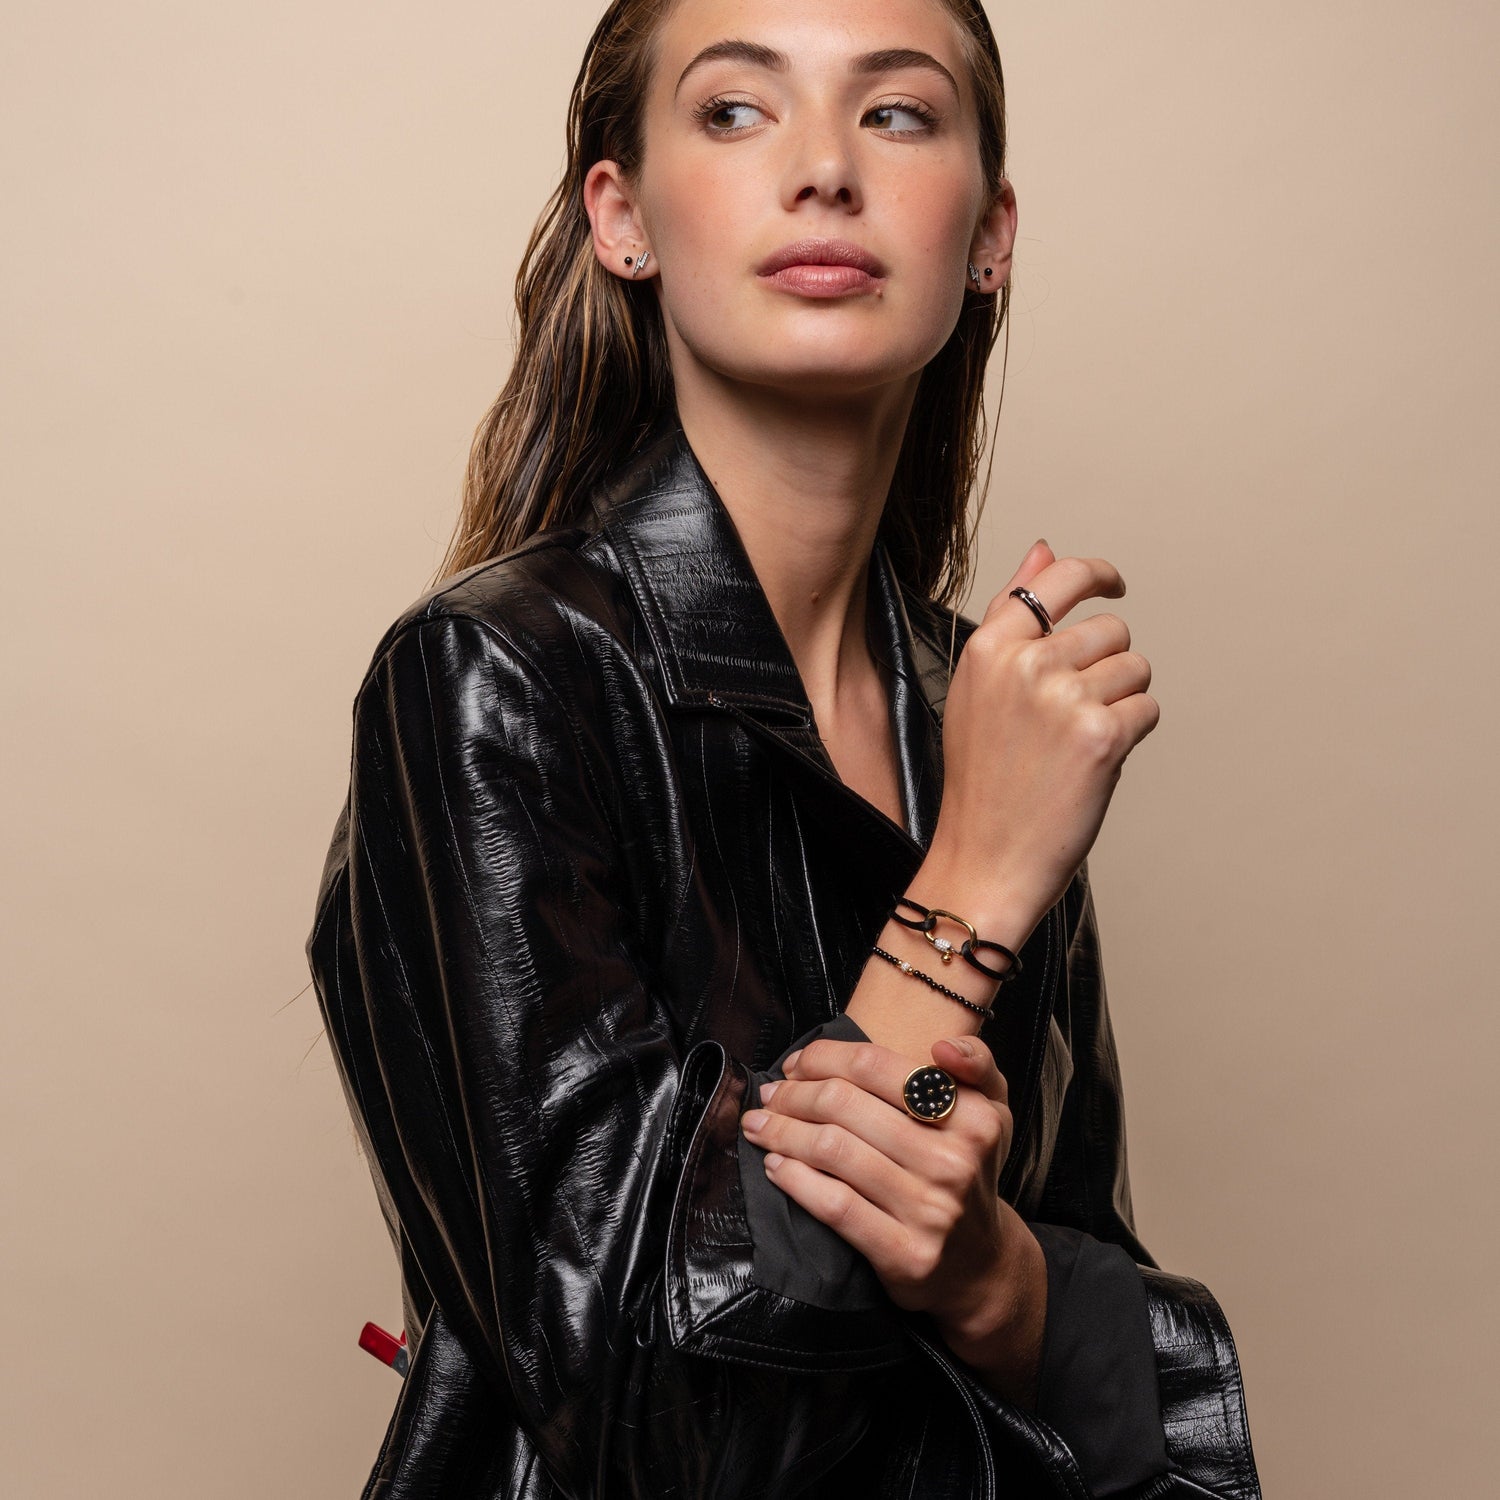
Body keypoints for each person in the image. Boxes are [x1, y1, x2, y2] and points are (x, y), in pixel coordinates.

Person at [304, 1, 1262, 1496]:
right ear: (621, 217)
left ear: (990, 236)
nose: (825, 167)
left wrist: (992, 1278)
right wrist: (969, 888)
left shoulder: (983, 705)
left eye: (898, 113)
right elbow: (649, 1412)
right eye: (738, 110)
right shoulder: (494, 679)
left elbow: (1106, 1375)